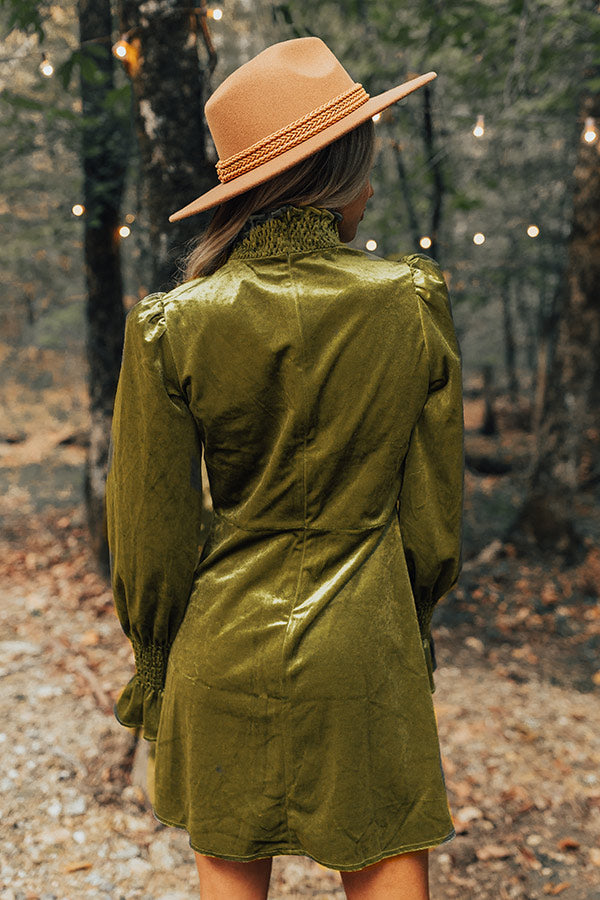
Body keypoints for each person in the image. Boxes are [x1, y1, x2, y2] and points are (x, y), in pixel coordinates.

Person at [106, 36, 464, 900]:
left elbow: (152, 536)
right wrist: (407, 626)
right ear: (343, 170)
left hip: (221, 651)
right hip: (366, 645)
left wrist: (154, 661)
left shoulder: (172, 323)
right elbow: (432, 522)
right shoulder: (409, 300)